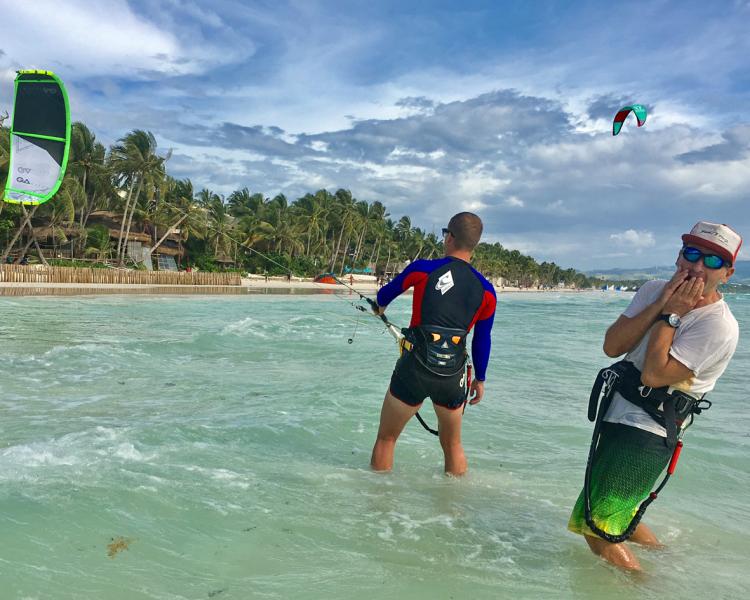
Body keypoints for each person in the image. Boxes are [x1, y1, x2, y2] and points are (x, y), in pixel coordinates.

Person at [568, 221, 742, 571]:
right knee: (613, 509)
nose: (696, 265)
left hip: (652, 429)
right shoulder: (652, 290)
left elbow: (655, 374)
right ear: (679, 257)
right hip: (619, 412)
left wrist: (673, 315)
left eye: (711, 261)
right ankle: (666, 560)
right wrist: (663, 302)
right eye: (691, 253)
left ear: (727, 273)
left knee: (597, 525)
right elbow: (613, 346)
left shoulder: (719, 325)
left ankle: (643, 587)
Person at [370, 212, 497, 476]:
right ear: (474, 244)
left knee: (387, 439)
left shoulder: (423, 270)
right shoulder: (487, 291)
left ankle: (376, 505)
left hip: (415, 368)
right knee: (452, 445)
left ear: (450, 237)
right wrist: (480, 379)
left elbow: (384, 295)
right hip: (452, 375)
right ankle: (453, 509)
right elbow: (482, 339)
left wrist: (380, 308)